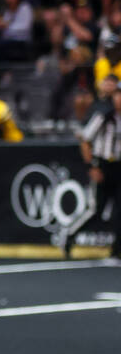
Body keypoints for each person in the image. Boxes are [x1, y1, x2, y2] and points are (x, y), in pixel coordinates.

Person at [74, 89, 121, 262]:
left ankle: (116, 250)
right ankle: (70, 236)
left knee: (120, 210)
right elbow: (85, 140)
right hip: (103, 165)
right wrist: (92, 166)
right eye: (118, 94)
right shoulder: (104, 116)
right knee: (97, 210)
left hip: (118, 166)